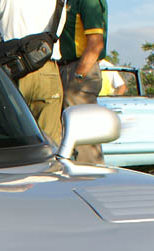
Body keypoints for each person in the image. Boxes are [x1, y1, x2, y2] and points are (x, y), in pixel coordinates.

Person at [0, 0, 68, 145]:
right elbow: (58, 30)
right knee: (51, 143)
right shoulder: (58, 2)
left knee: (11, 140)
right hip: (46, 69)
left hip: (12, 71)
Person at [57, 0, 108, 163]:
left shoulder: (88, 1)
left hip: (78, 68)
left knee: (84, 140)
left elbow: (96, 43)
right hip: (65, 68)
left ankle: (90, 183)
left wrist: (78, 75)